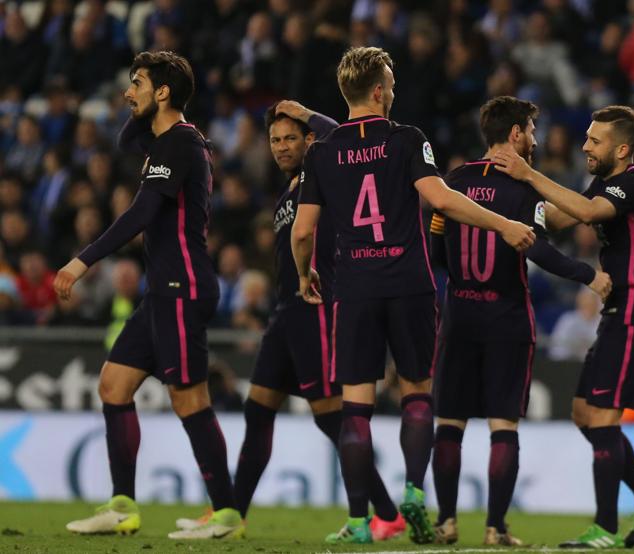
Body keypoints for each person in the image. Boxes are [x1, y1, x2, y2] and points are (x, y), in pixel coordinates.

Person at [291, 46, 535, 545]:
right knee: (417, 393)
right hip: (408, 284)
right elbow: (442, 199)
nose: (395, 89)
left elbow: (301, 231)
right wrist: (505, 224)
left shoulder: (321, 152)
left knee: (355, 406)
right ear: (380, 90)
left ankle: (358, 522)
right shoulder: (407, 139)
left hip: (354, 287)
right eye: (392, 82)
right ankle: (414, 493)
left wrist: (303, 274)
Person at [175, 100, 406, 541]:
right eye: (275, 140)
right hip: (286, 313)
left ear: (310, 141)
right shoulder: (289, 190)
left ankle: (386, 512)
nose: (281, 147)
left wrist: (304, 111)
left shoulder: (329, 173)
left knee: (331, 416)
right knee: (258, 409)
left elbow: (340, 136)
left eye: (290, 138)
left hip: (316, 305)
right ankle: (232, 514)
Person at [54, 51, 243, 540]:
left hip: (183, 286)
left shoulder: (180, 143)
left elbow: (140, 214)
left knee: (189, 399)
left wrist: (81, 261)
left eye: (136, 83)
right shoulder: (165, 142)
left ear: (163, 92)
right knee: (113, 386)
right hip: (162, 291)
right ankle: (122, 506)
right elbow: (126, 139)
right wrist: (142, 105)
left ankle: (227, 513)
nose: (126, 93)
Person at [429, 96, 611, 547]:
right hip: (506, 316)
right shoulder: (523, 188)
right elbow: (539, 249)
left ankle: (446, 522)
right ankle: (495, 528)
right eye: (530, 130)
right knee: (503, 426)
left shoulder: (453, 182)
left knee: (449, 423)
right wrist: (588, 275)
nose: (535, 139)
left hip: (459, 314)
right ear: (514, 134)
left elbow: (435, 252)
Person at [495, 105, 634, 549]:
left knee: (602, 416)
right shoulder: (605, 184)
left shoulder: (632, 184)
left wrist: (528, 174)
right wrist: (501, 210)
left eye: (595, 141)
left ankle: (606, 528)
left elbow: (588, 210)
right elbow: (559, 218)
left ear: (622, 149)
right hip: (617, 310)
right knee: (584, 412)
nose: (585, 146)